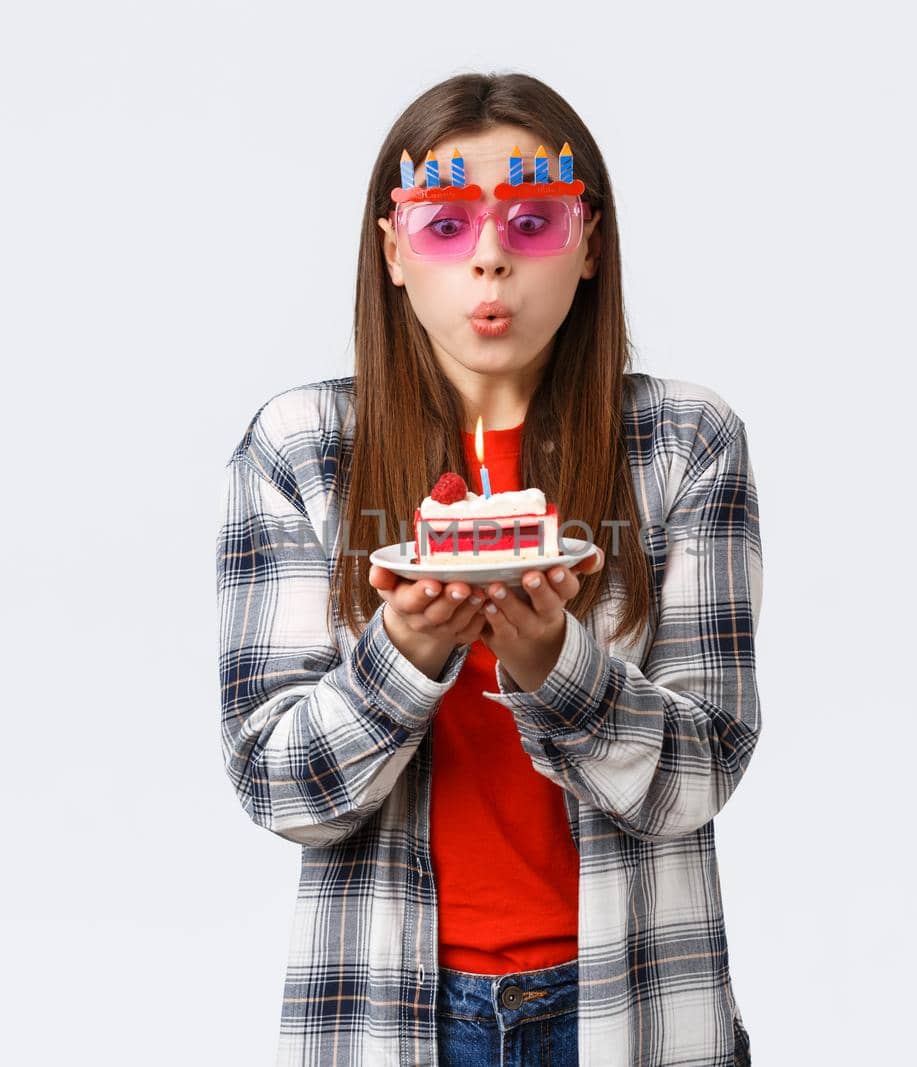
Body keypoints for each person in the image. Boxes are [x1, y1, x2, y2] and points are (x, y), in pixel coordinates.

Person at [216, 71, 761, 1066]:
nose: (490, 261)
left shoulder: (683, 443)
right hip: (392, 1013)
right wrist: (407, 651)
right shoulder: (302, 449)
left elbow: (700, 771)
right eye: (444, 226)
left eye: (532, 221)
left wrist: (557, 663)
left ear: (589, 242)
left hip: (633, 1006)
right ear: (391, 250)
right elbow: (277, 785)